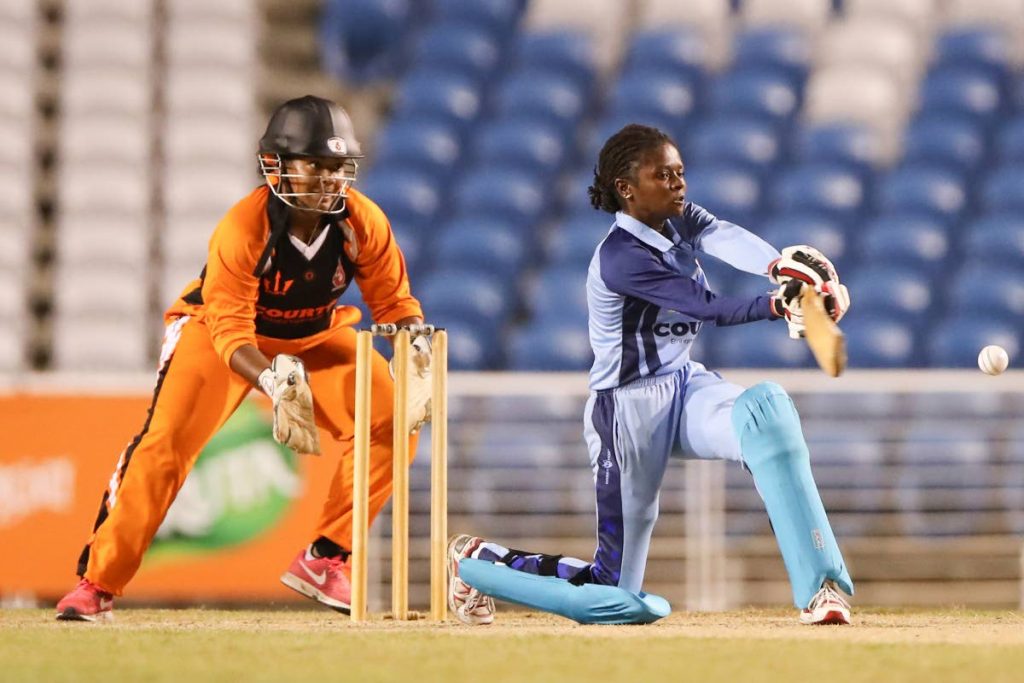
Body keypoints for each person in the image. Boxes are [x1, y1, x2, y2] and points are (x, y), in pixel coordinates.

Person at [447, 123, 854, 626]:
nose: (679, 185)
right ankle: (478, 564)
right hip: (626, 411)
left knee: (767, 420)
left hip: (683, 385)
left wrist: (782, 268)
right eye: (664, 176)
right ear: (627, 188)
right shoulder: (621, 257)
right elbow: (704, 306)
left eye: (680, 173)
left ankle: (822, 590)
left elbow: (722, 235)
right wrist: (778, 305)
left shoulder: (675, 219)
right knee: (614, 593)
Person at [55, 95, 432, 621]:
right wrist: (276, 381)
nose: (328, 180)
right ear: (277, 165)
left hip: (313, 337)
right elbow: (232, 330)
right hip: (217, 335)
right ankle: (97, 583)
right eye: (314, 166)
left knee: (395, 419)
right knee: (165, 447)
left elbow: (393, 302)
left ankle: (326, 557)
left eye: (337, 167)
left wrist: (414, 345)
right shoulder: (244, 227)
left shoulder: (361, 221)